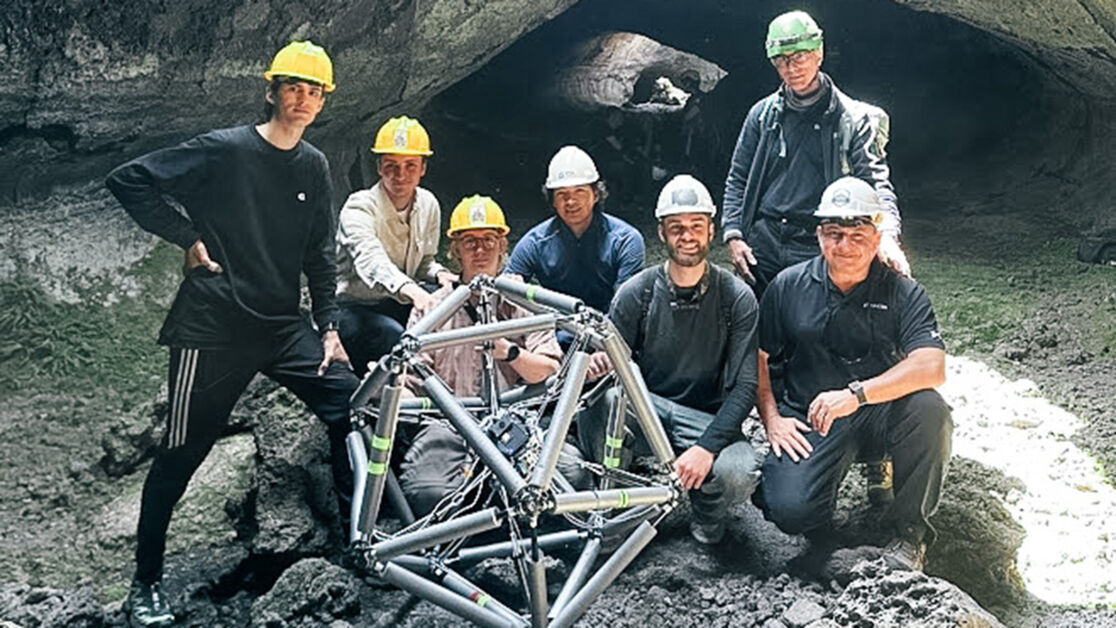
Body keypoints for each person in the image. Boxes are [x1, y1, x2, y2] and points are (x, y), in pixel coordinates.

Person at [105, 41, 357, 627]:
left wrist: (329, 327)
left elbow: (320, 252)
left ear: (322, 102)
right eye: (293, 87)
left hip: (280, 325)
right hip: (213, 327)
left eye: (314, 90)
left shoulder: (314, 165)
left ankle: (357, 542)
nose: (303, 98)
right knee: (181, 453)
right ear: (271, 91)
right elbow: (130, 180)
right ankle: (144, 585)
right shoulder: (225, 150)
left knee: (355, 405)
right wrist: (186, 237)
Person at [753, 177, 952, 571]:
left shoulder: (902, 291)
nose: (844, 246)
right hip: (815, 413)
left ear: (877, 239)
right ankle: (824, 528)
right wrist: (773, 420)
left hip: (879, 408)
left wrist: (857, 394)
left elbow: (932, 366)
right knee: (789, 511)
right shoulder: (788, 287)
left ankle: (910, 534)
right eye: (834, 234)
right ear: (818, 236)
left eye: (857, 235)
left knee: (931, 410)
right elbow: (758, 358)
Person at [579, 175, 760, 545]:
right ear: (662, 233)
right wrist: (601, 364)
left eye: (696, 226)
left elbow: (745, 388)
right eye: (676, 227)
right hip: (649, 410)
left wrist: (706, 448)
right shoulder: (637, 294)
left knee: (741, 471)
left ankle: (707, 512)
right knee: (607, 401)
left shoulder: (736, 298)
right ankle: (618, 503)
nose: (687, 236)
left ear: (711, 230)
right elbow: (613, 370)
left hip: (705, 419)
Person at [398, 195, 587, 515]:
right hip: (450, 425)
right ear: (454, 251)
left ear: (503, 246)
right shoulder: (433, 309)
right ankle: (475, 535)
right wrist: (392, 389)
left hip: (518, 423)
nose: (480, 249)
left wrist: (508, 351)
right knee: (426, 491)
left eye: (489, 240)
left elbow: (549, 371)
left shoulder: (525, 301)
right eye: (469, 242)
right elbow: (411, 381)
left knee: (570, 474)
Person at [721, 10, 909, 296]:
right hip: (763, 246)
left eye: (799, 56)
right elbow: (738, 177)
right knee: (761, 335)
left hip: (817, 243)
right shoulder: (761, 115)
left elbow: (875, 183)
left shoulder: (852, 119)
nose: (791, 68)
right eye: (782, 60)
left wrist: (887, 236)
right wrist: (734, 235)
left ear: (818, 53)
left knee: (814, 332)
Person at [335, 115, 457, 374]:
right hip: (355, 307)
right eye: (391, 165)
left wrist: (440, 273)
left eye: (410, 165)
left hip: (401, 300)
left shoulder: (428, 204)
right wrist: (415, 293)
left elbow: (423, 261)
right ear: (379, 167)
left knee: (451, 321)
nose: (400, 175)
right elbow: (371, 260)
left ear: (423, 168)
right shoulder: (359, 206)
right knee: (396, 339)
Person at [505, 145, 645, 322]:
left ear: (596, 194)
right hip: (554, 334)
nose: (570, 201)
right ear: (552, 201)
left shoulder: (625, 240)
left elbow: (626, 307)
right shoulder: (535, 243)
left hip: (611, 333)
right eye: (562, 193)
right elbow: (507, 289)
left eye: (579, 191)